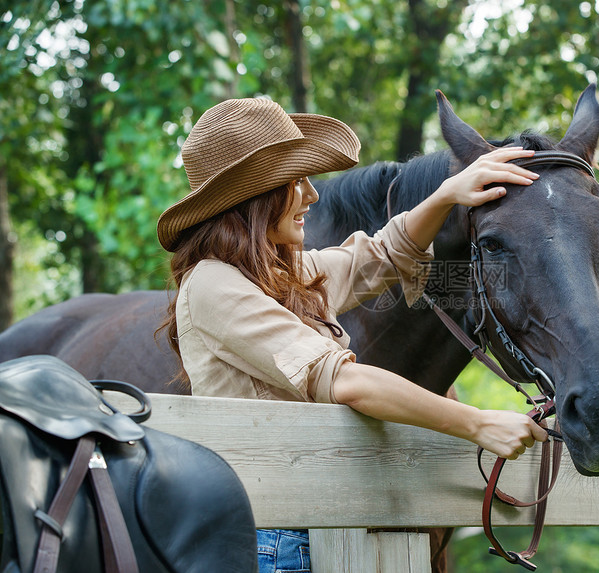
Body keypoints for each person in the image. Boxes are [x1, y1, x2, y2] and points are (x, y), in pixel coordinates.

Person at [157, 97, 547, 573]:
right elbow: (346, 382)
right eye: (295, 181)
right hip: (272, 542)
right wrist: (478, 424)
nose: (311, 195)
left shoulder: (277, 276)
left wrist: (448, 195)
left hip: (310, 530)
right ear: (254, 196)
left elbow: (381, 255)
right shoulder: (214, 284)